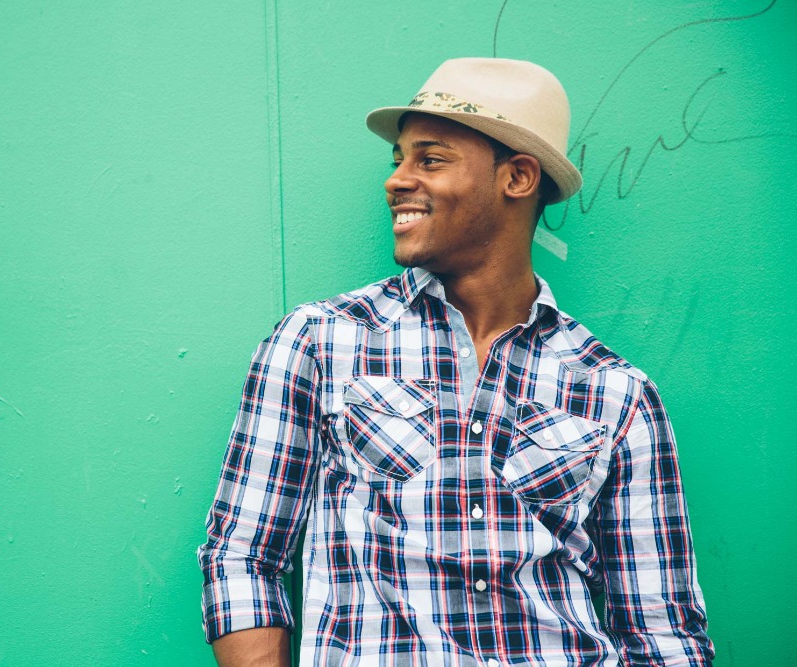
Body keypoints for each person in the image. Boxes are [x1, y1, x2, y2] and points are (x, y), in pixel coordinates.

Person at [197, 58, 713, 666]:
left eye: (430, 159)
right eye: (398, 160)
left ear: (517, 177)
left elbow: (662, 631)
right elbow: (243, 558)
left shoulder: (616, 392)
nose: (397, 181)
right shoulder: (321, 342)